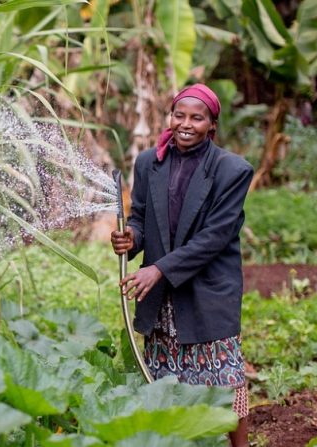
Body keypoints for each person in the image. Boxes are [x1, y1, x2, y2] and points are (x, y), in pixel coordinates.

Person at [110, 84, 253, 447]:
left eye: (197, 117)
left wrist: (157, 269)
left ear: (212, 125)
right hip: (162, 295)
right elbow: (140, 217)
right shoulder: (149, 163)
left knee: (225, 380)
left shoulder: (231, 170)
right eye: (179, 115)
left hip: (207, 289)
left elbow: (214, 238)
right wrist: (132, 238)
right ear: (170, 117)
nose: (186, 124)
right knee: (165, 383)